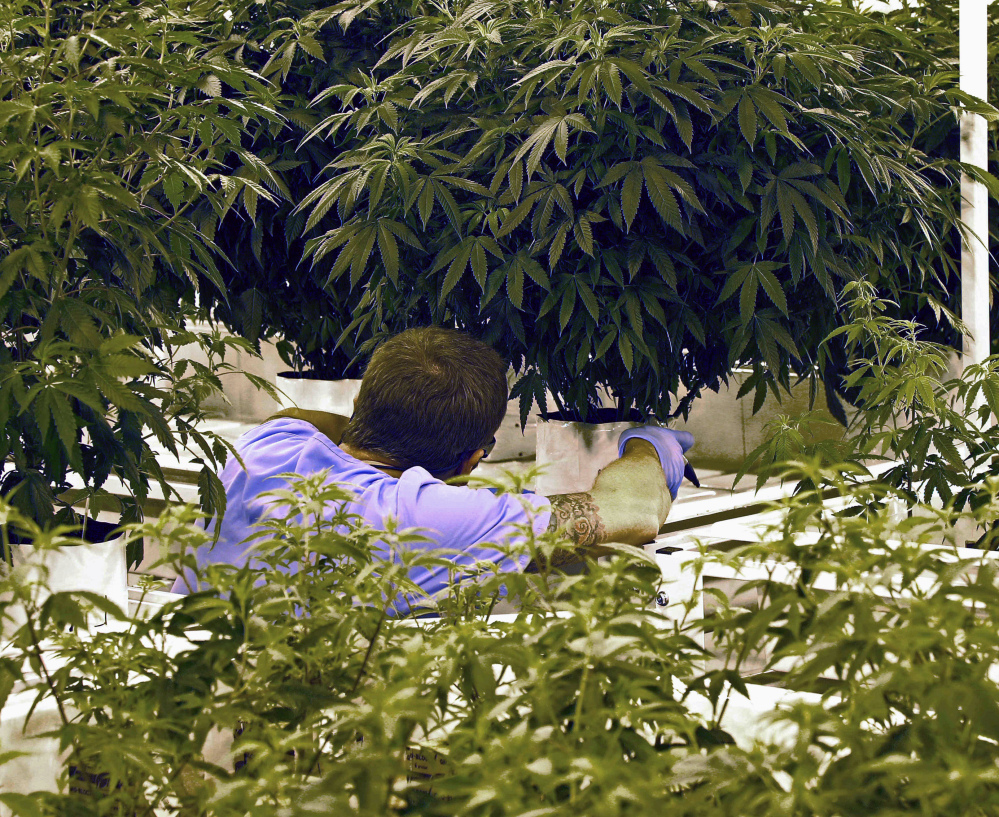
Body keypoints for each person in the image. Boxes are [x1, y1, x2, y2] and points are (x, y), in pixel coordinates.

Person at [170, 327, 694, 604]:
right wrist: (649, 445)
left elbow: (307, 418)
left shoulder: (270, 445)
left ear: (360, 407)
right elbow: (634, 509)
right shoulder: (426, 515)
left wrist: (377, 417)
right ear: (471, 457)